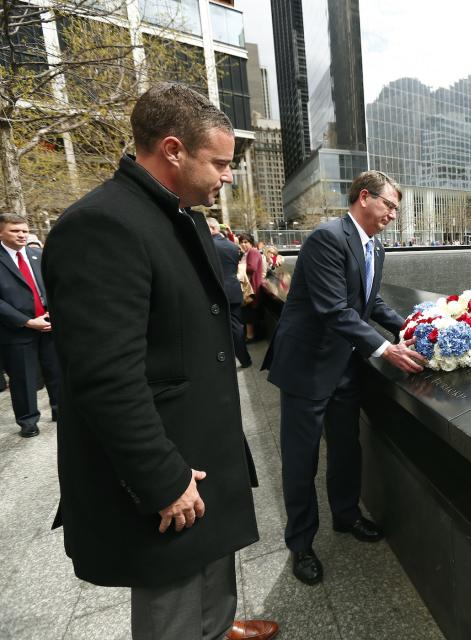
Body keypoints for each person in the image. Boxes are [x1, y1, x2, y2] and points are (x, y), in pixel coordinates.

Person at [42, 83, 277, 640]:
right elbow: (104, 378)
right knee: (171, 599)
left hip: (198, 443)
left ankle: (216, 628)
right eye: (219, 163)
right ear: (173, 149)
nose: (227, 177)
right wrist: (162, 479)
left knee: (209, 566)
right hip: (168, 461)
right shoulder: (103, 226)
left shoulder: (172, 215)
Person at [263, 170, 427, 586]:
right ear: (365, 197)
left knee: (346, 447)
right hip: (307, 366)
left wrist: (412, 327)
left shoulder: (375, 246)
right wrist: (385, 349)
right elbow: (334, 309)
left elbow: (370, 302)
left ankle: (346, 515)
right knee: (301, 460)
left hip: (344, 365)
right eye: (389, 204)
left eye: (395, 208)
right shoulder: (327, 238)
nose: (393, 214)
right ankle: (301, 544)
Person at [0, 213, 60, 437]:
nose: (22, 235)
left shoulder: (37, 254)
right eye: (15, 231)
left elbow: (53, 286)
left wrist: (51, 313)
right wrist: (26, 321)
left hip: (47, 324)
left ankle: (59, 410)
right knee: (23, 377)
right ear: (1, 233)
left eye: (24, 230)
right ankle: (28, 421)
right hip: (16, 330)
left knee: (56, 371)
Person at [207, 217, 253, 369]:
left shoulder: (206, 245)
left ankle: (220, 362)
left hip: (213, 292)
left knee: (214, 328)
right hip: (233, 291)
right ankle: (245, 360)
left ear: (213, 228)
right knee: (237, 327)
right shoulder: (234, 247)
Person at [237, 233, 263, 342]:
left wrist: (239, 267)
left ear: (251, 243)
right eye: (241, 242)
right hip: (249, 287)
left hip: (252, 287)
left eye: (245, 242)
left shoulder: (253, 251)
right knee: (247, 312)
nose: (243, 244)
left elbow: (252, 268)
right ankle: (249, 335)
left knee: (250, 312)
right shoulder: (246, 253)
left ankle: (250, 336)